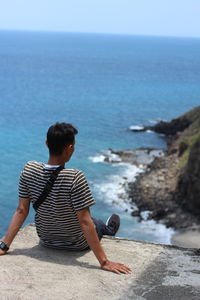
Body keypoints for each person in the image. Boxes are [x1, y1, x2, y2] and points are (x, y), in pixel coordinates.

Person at [0, 123, 131, 274]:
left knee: (83, 218)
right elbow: (85, 222)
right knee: (96, 223)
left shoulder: (29, 170)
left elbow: (21, 210)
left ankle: (104, 228)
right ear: (70, 148)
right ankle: (109, 230)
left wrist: (4, 245)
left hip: (46, 239)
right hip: (75, 244)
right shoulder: (75, 177)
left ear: (47, 143)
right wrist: (104, 262)